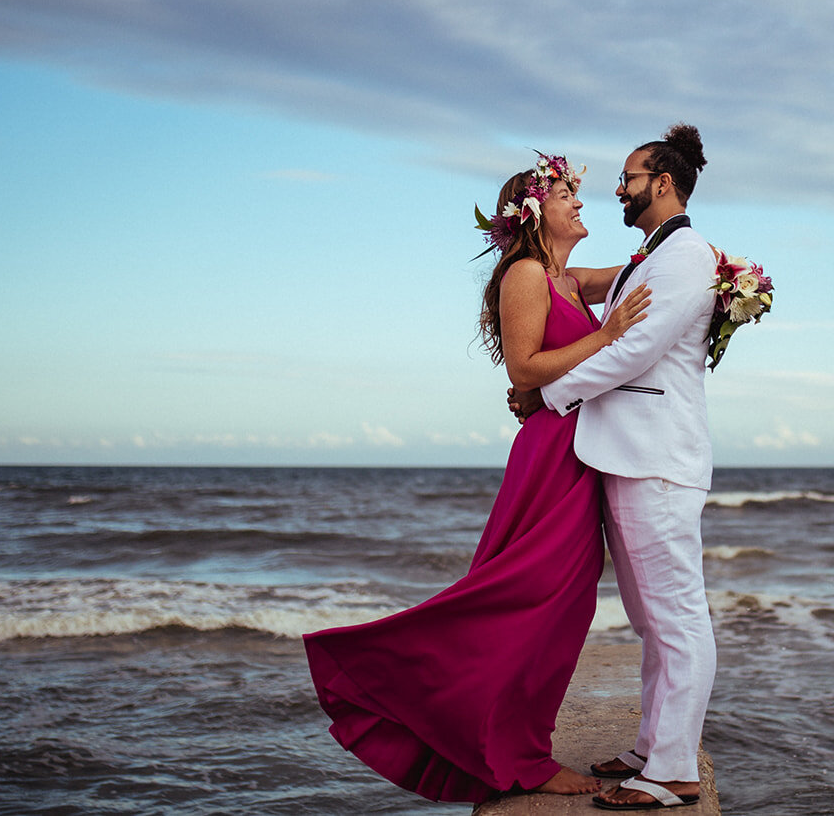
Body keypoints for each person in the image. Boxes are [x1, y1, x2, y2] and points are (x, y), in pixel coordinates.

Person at [302, 152, 650, 804]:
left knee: (565, 604)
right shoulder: (524, 274)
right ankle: (520, 753)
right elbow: (524, 370)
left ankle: (520, 740)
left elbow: (638, 269)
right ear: (534, 211)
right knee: (528, 596)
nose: (581, 202)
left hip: (581, 455)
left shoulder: (569, 279)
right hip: (551, 458)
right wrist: (609, 337)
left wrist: (707, 264)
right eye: (568, 194)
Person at [514, 124, 716, 811]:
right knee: (650, 616)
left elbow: (635, 351)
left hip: (657, 458)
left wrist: (550, 392)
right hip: (629, 455)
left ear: (662, 183)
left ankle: (673, 772)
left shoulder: (685, 256)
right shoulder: (649, 257)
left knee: (677, 618)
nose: (618, 190)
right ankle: (654, 746)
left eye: (628, 178)